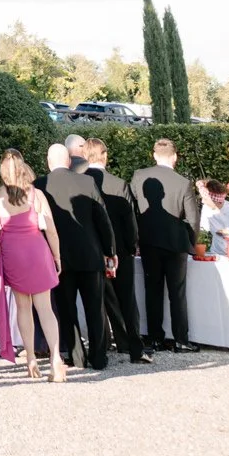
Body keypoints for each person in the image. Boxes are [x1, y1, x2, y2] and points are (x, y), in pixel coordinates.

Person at [0, 150, 67, 382]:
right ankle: (55, 359)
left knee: (23, 308)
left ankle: (30, 358)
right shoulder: (36, 194)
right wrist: (57, 256)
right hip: (37, 250)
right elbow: (50, 229)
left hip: (13, 253)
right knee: (45, 308)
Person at [38, 140, 114, 370]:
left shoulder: (40, 185)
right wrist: (110, 250)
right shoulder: (87, 181)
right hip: (90, 254)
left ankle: (76, 356)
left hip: (58, 257)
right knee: (94, 308)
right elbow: (103, 219)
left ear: (48, 162)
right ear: (69, 161)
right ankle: (99, 357)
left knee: (66, 309)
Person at [84, 138, 149, 364]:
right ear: (105, 156)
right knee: (127, 301)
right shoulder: (120, 184)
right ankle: (134, 347)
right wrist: (131, 248)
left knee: (97, 302)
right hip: (119, 250)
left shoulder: (81, 182)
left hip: (91, 251)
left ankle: (100, 348)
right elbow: (130, 222)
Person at [131, 139, 201, 351]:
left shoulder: (138, 177)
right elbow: (193, 219)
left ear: (154, 155)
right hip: (175, 244)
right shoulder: (183, 183)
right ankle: (181, 339)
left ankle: (155, 338)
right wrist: (191, 242)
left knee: (152, 290)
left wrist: (136, 238)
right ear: (175, 157)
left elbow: (132, 211)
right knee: (177, 292)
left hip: (149, 242)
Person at [197, 179, 229, 258]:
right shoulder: (206, 208)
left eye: (206, 199)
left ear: (216, 201)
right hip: (215, 253)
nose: (203, 201)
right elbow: (203, 230)